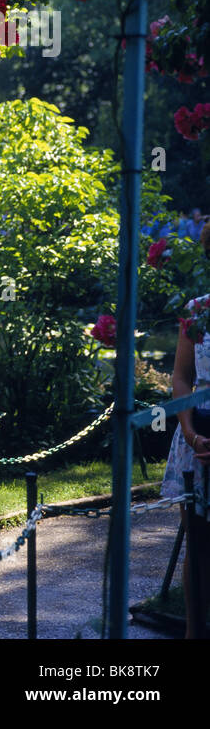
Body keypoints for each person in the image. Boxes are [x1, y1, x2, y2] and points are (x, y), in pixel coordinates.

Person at [161, 220, 210, 638]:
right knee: (198, 546)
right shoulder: (198, 311)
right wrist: (192, 434)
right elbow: (181, 378)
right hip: (199, 436)